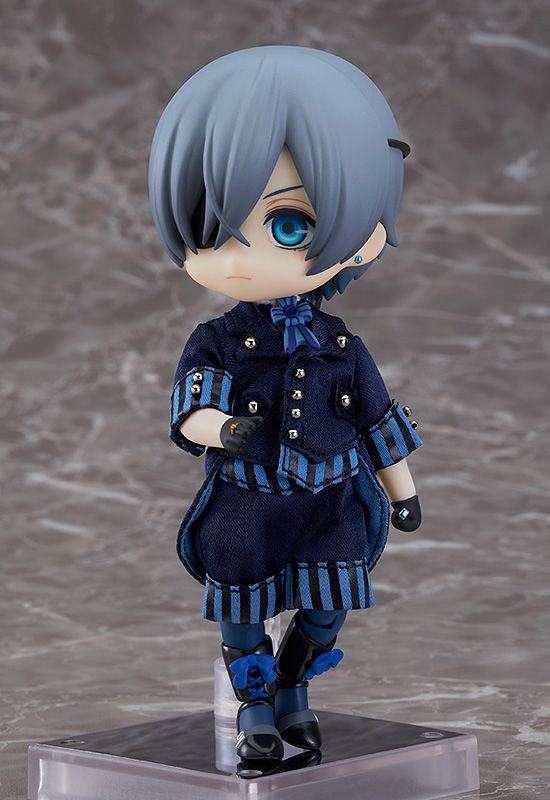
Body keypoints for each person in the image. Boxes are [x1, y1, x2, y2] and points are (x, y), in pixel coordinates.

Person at [149, 45, 422, 764]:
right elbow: (191, 406)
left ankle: (294, 686)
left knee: (329, 603)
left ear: (362, 234)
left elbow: (377, 422)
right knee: (243, 609)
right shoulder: (219, 340)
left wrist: (403, 492)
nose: (242, 253)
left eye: (289, 223)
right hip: (248, 502)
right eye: (212, 220)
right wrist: (222, 429)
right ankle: (255, 707)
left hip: (332, 502)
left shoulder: (342, 345)